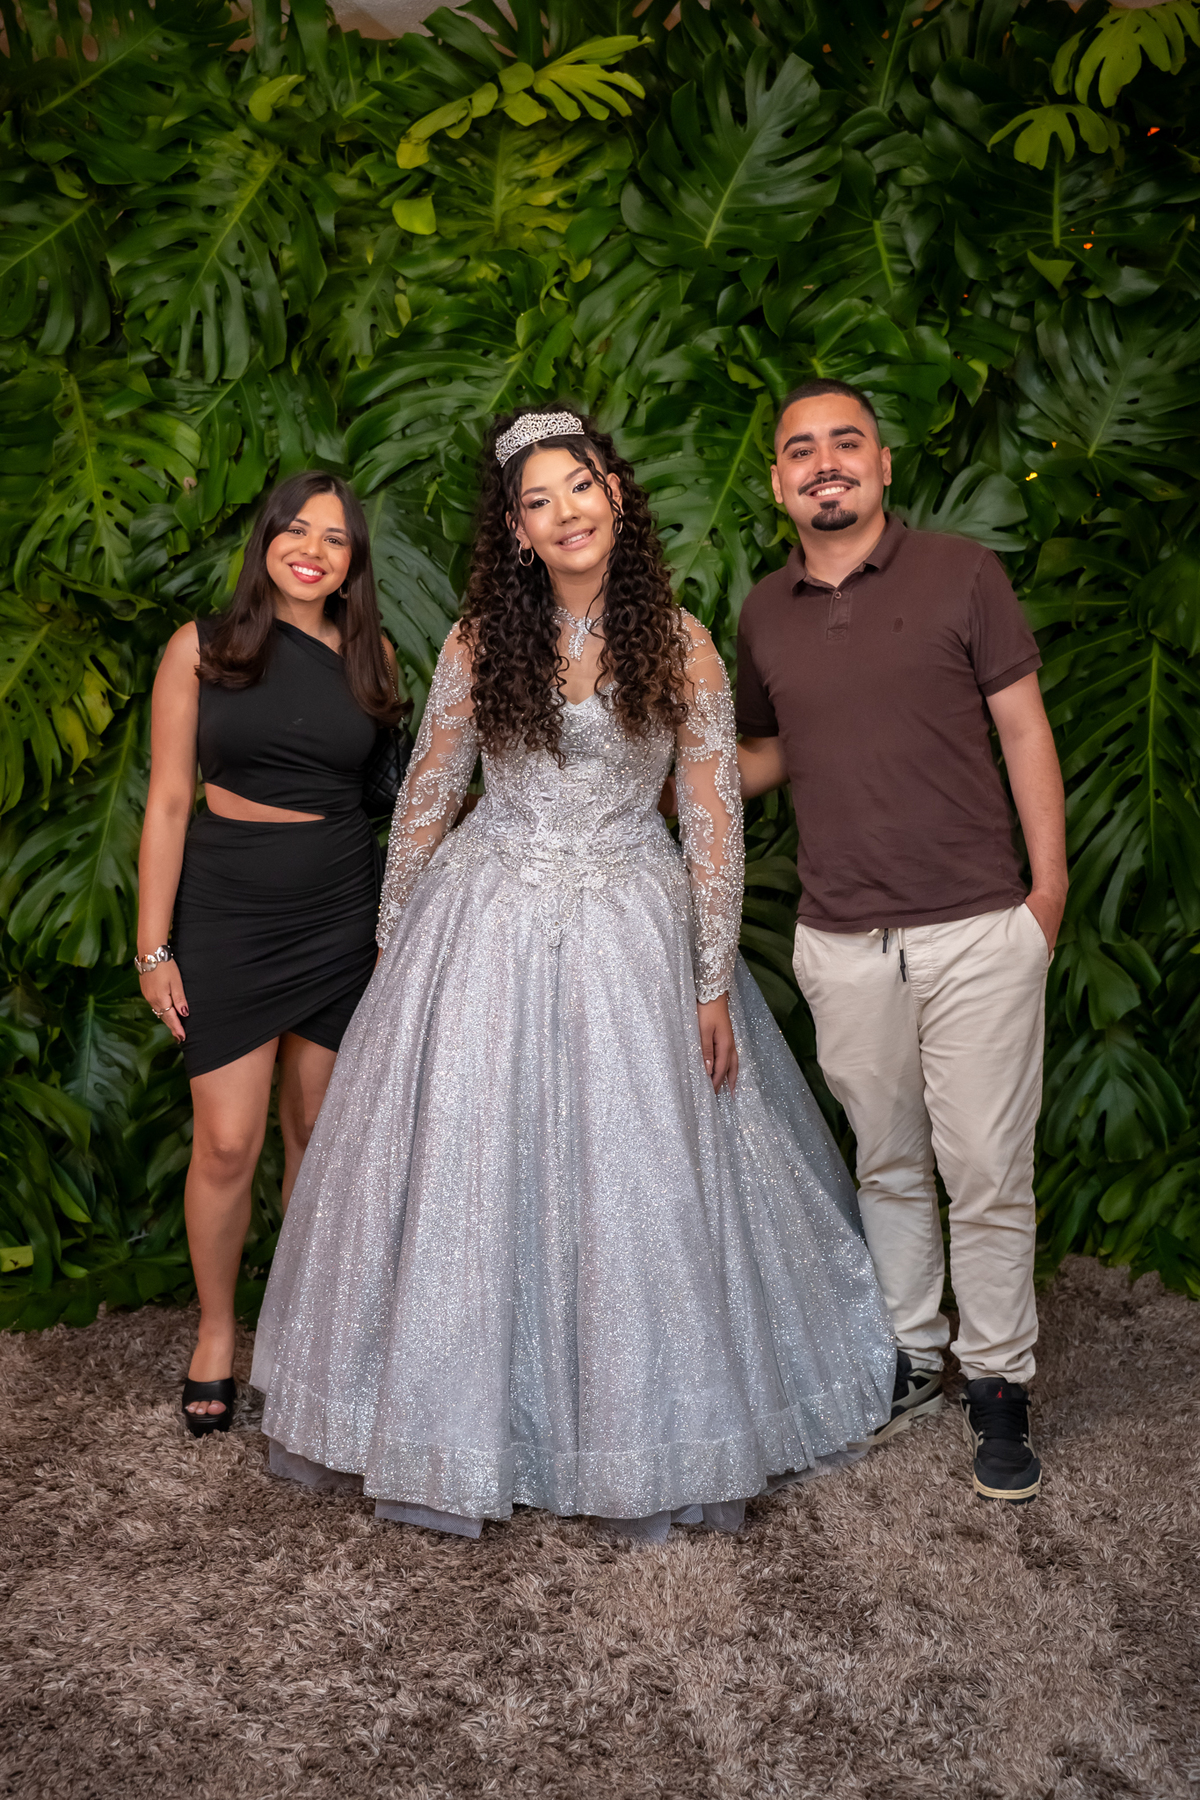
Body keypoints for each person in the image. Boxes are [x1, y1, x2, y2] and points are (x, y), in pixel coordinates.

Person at [250, 406, 896, 1540]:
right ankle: (459, 1424)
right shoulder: (478, 642)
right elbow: (429, 794)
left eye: (581, 487)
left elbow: (712, 823)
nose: (566, 513)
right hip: (484, 917)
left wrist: (710, 982)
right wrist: (398, 951)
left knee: (636, 1171)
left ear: (617, 497)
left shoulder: (682, 644)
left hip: (628, 925)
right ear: (516, 531)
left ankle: (636, 1429)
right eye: (538, 501)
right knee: (469, 1171)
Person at [736, 379, 1067, 1506]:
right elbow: (767, 753)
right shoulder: (764, 612)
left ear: (882, 464)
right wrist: (653, 766)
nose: (823, 462)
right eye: (801, 450)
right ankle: (915, 1353)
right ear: (778, 482)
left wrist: (1046, 896)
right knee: (885, 1159)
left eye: (846, 443)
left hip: (977, 926)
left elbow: (1023, 728)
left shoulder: (962, 574)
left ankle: (999, 1381)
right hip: (841, 938)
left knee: (985, 1168)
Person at [136, 471, 401, 1437]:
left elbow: (393, 797)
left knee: (317, 1135)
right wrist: (153, 948)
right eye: (296, 529)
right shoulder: (200, 650)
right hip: (228, 912)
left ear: (352, 561)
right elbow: (169, 802)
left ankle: (304, 1342)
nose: (312, 550)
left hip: (338, 911)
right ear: (265, 541)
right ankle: (216, 1332)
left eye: (334, 538)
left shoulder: (371, 657)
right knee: (226, 1142)